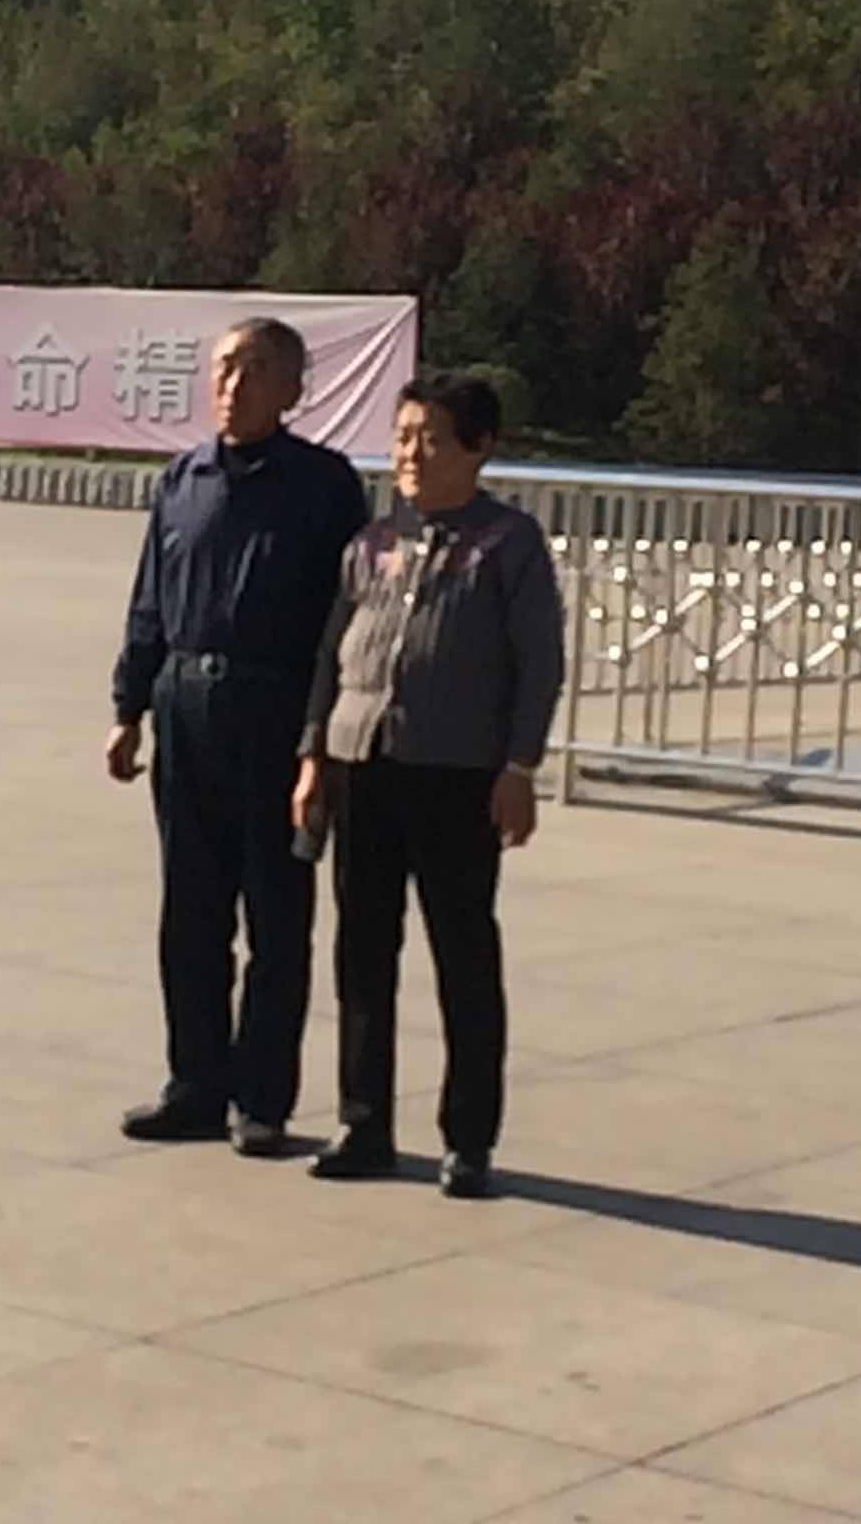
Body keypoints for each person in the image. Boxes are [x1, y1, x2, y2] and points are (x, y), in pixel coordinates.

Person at [293, 375, 564, 1198]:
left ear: (479, 449)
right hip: (363, 760)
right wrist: (313, 757)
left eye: (433, 438)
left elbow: (539, 665)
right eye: (404, 436)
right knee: (363, 949)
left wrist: (519, 768)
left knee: (463, 954)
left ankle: (469, 1139)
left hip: (458, 772)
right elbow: (330, 653)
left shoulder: (508, 544)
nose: (411, 454)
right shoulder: (371, 541)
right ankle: (363, 1122)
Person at [106, 318, 368, 1157]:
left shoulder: (324, 488)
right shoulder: (182, 480)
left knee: (276, 917)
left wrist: (317, 740)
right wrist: (129, 706)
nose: (233, 386)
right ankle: (194, 1087)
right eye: (223, 369)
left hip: (275, 710)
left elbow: (341, 624)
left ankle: (261, 1100)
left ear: (292, 389)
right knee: (190, 913)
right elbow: (150, 597)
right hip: (186, 707)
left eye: (254, 371)